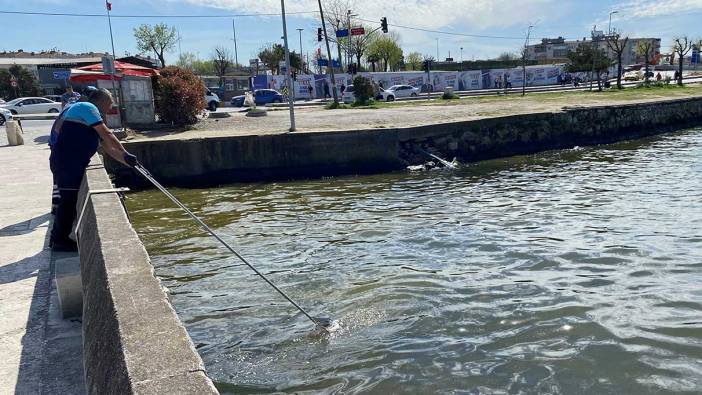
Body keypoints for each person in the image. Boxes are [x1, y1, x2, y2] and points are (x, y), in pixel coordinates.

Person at [49, 88, 137, 251]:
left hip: (71, 162)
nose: (110, 108)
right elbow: (108, 134)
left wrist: (127, 162)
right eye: (109, 103)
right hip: (68, 163)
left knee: (69, 201)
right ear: (102, 100)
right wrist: (126, 152)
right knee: (67, 202)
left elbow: (109, 149)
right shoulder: (87, 108)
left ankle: (57, 238)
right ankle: (59, 240)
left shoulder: (88, 116)